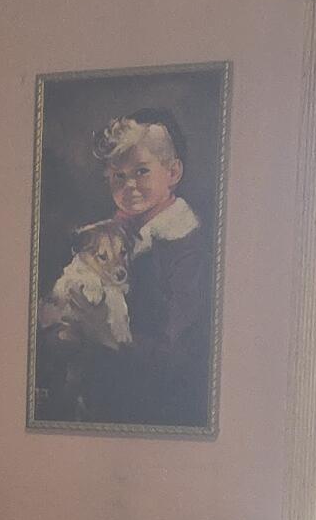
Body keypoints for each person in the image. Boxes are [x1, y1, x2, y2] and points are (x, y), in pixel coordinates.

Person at [36, 111, 212, 428]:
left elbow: (178, 357)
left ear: (173, 172)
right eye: (118, 176)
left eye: (141, 172)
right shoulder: (109, 234)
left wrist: (108, 337)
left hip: (151, 414)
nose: (129, 185)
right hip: (94, 407)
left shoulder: (186, 249)